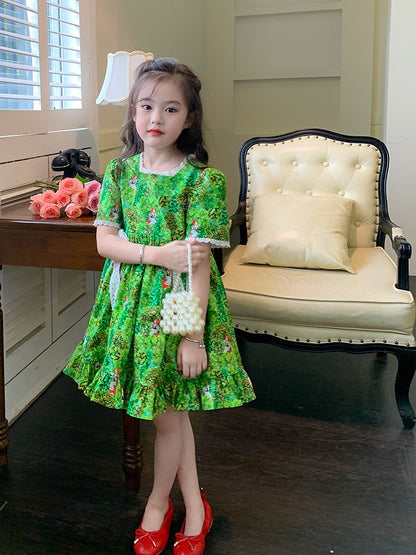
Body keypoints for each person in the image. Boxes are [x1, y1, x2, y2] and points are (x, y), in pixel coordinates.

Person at [64, 57, 255, 555]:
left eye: (171, 109)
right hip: (129, 304)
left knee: (169, 411)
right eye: (147, 106)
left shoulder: (203, 181)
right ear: (132, 111)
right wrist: (156, 253)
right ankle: (193, 506)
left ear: (189, 118)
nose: (156, 118)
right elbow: (105, 242)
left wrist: (193, 337)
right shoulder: (120, 172)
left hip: (176, 303)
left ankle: (157, 503)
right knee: (171, 412)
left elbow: (196, 267)